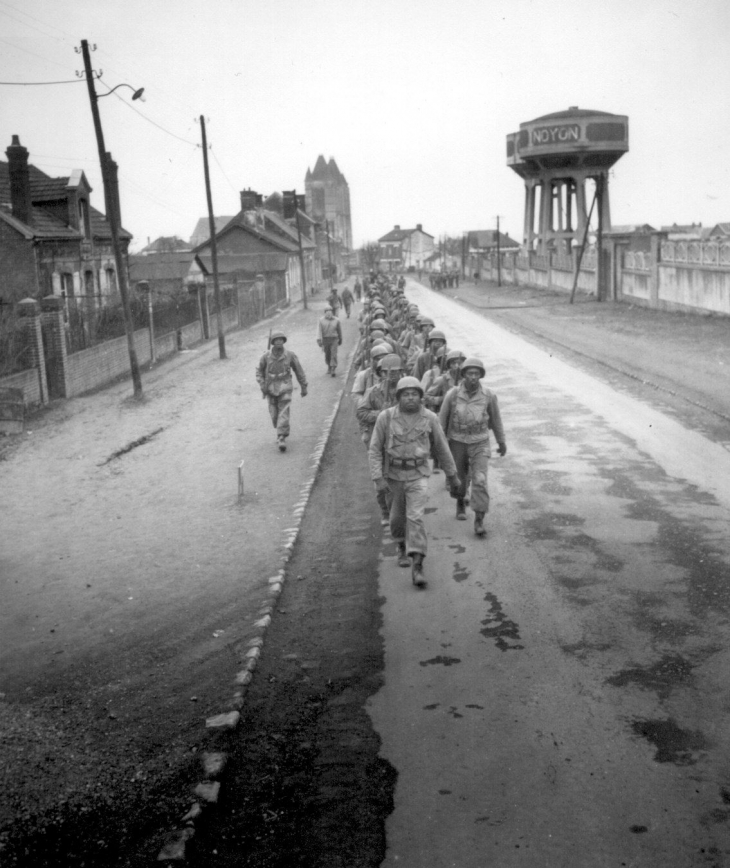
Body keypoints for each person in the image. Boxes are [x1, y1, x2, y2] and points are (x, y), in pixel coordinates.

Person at [369, 376, 459, 588]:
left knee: (415, 517)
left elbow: (442, 448)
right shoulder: (386, 417)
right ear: (398, 397)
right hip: (393, 476)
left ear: (421, 397)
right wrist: (378, 478)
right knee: (396, 519)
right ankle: (401, 545)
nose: (411, 398)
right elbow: (374, 449)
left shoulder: (429, 418)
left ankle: (417, 564)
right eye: (406, 394)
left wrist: (452, 475)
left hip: (418, 474)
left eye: (415, 394)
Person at [439, 357, 506, 536]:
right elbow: (442, 421)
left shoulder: (488, 395)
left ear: (481, 376)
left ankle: (479, 519)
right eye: (470, 373)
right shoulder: (452, 395)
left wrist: (501, 441)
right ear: (464, 375)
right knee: (458, 478)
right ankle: (460, 501)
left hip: (480, 441)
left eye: (477, 374)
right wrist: (440, 445)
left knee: (480, 480)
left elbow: (496, 419)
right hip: (457, 441)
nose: (473, 377)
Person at [256, 330, 308, 452]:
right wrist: (262, 384)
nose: (279, 341)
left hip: (285, 385)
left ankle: (281, 437)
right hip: (270, 386)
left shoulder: (290, 355)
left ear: (284, 341)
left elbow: (299, 370)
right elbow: (259, 371)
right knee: (274, 414)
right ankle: (280, 431)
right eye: (276, 340)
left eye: (281, 339)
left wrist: (303, 386)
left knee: (283, 411)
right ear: (273, 342)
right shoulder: (265, 356)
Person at [317, 305, 343, 376]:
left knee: (333, 354)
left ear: (332, 312)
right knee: (327, 354)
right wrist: (319, 339)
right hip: (325, 340)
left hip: (334, 339)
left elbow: (339, 330)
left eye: (330, 312)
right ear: (325, 313)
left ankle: (333, 369)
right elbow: (319, 331)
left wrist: (340, 339)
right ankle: (329, 366)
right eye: (327, 312)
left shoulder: (336, 320)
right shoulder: (321, 320)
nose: (329, 314)